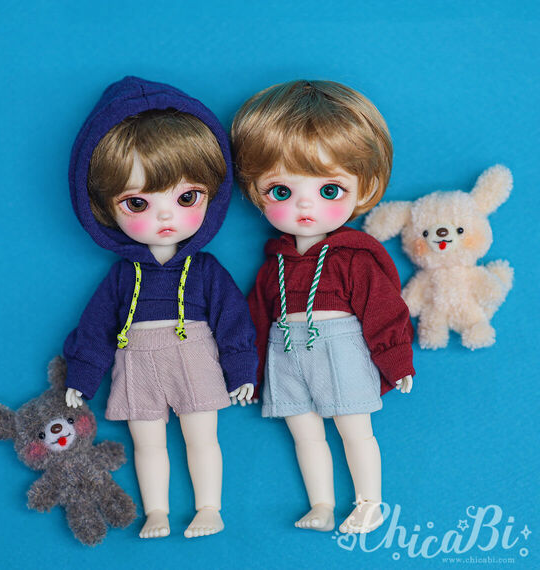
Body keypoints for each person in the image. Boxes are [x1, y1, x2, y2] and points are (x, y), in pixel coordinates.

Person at [63, 76, 257, 539]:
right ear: (103, 208)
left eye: (187, 197)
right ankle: (157, 512)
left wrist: (242, 369)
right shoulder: (122, 276)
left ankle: (209, 508)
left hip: (194, 354)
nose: (165, 215)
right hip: (136, 360)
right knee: (146, 443)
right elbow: (96, 328)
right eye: (137, 203)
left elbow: (233, 319)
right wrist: (82, 376)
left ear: (212, 194)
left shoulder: (205, 269)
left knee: (201, 437)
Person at [231, 79, 415, 534]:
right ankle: (321, 504)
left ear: (365, 188)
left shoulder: (355, 257)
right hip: (284, 351)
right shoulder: (272, 263)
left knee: (355, 429)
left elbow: (383, 309)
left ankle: (369, 503)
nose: (305, 205)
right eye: (281, 191)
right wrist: (247, 372)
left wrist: (396, 359)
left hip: (339, 347)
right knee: (304, 432)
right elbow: (254, 320)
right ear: (255, 190)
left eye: (330, 190)